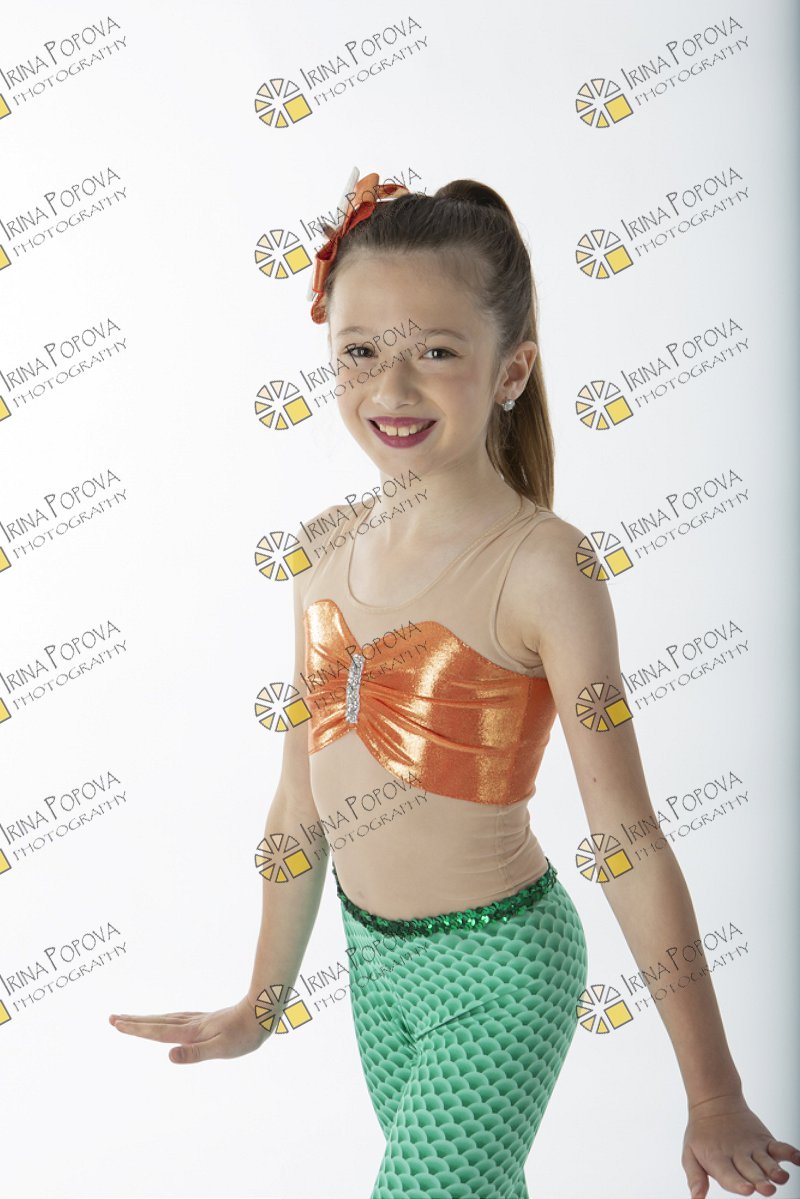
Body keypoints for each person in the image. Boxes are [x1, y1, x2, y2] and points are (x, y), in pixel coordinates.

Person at [109, 168, 800, 1199]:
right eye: (359, 352)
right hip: (374, 968)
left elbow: (626, 835)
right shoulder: (319, 552)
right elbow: (299, 802)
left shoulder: (543, 567)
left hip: (501, 973)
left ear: (511, 368)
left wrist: (712, 1091)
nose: (390, 389)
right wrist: (262, 1000)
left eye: (435, 351)